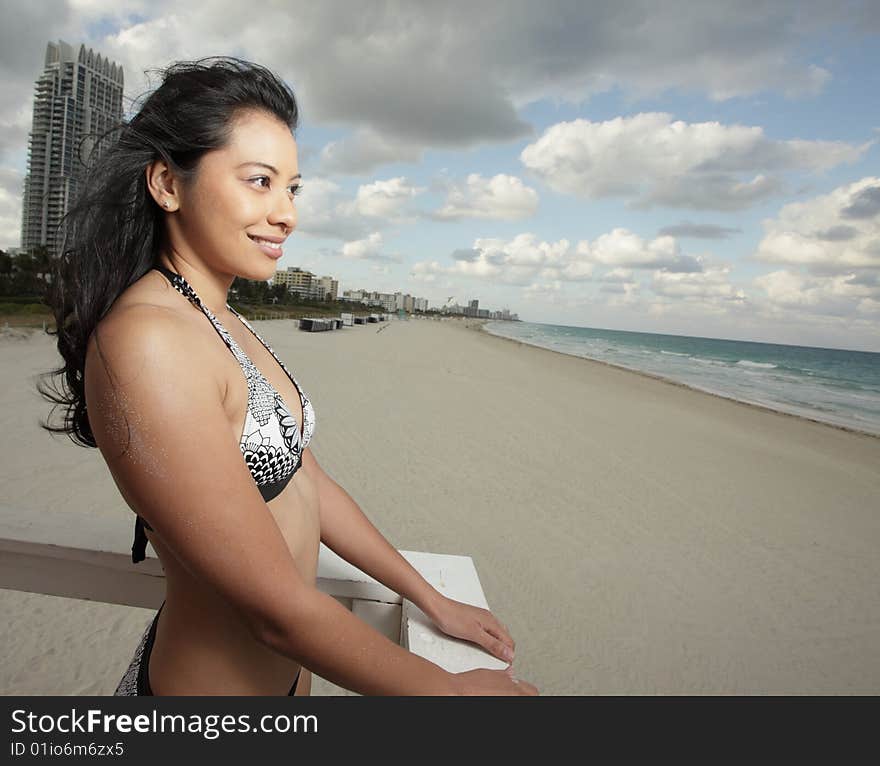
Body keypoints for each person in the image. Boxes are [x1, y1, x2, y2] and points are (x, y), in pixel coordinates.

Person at [38, 57, 538, 696]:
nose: (286, 215)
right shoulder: (149, 341)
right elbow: (275, 611)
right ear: (167, 184)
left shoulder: (220, 318)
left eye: (292, 188)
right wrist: (450, 695)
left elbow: (302, 478)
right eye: (259, 181)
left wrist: (427, 596)